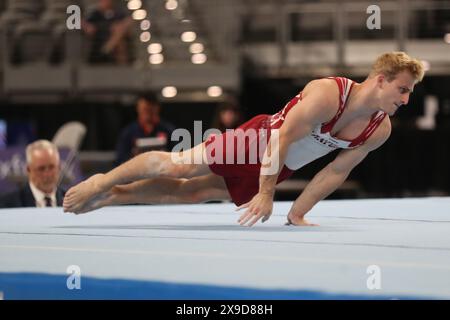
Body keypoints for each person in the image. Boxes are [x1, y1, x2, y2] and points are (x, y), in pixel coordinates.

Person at [63, 52, 424, 227]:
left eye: (410, 93)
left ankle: (114, 196)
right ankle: (103, 180)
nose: (406, 100)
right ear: (380, 79)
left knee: (196, 193)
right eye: (402, 89)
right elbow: (280, 140)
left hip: (280, 167)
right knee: (180, 167)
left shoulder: (379, 129)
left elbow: (334, 172)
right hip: (258, 140)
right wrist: (266, 194)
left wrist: (297, 213)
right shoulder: (329, 94)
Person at [0, 140, 65, 208]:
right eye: (41, 169)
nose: (47, 174)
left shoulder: (71, 202)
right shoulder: (8, 204)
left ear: (59, 167)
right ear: (28, 170)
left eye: (51, 167)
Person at [115, 93, 176, 165]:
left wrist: (166, 155)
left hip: (163, 171)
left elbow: (178, 156)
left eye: (150, 110)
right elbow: (120, 159)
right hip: (137, 172)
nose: (148, 113)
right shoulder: (128, 132)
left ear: (157, 108)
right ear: (138, 108)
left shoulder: (169, 130)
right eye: (145, 109)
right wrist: (133, 156)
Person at [82, 0, 133, 64]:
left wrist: (119, 26)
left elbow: (128, 21)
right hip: (98, 40)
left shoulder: (118, 13)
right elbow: (85, 24)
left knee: (120, 38)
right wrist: (88, 27)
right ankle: (107, 49)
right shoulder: (94, 14)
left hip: (115, 42)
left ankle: (107, 48)